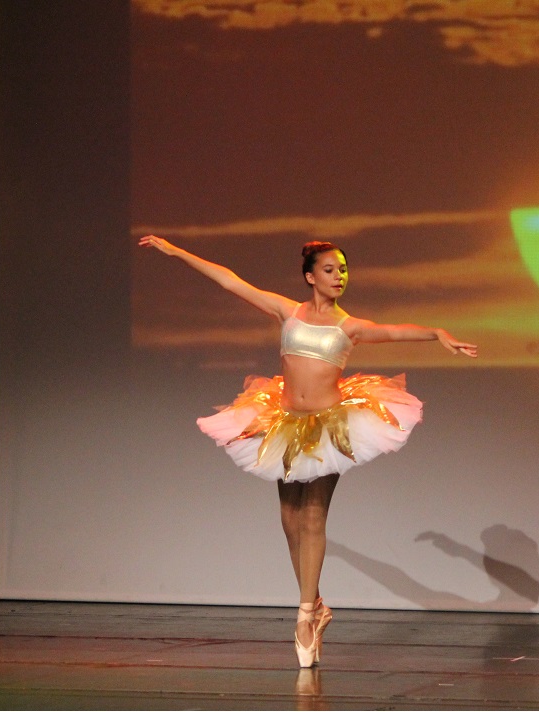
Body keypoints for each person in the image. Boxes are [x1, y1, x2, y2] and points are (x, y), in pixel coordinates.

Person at [139, 235, 478, 667]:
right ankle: (316, 604)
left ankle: (303, 617)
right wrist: (176, 252)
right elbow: (231, 282)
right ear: (310, 276)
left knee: (313, 515)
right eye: (330, 270)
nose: (340, 277)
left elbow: (394, 331)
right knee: (290, 518)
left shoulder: (348, 326)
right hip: (284, 422)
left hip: (328, 427)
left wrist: (437, 333)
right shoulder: (287, 311)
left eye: (344, 270)